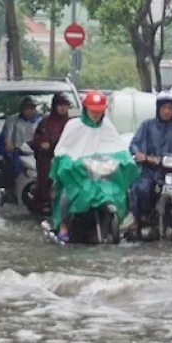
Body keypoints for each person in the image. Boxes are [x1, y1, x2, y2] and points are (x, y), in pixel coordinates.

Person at [49, 91, 138, 244]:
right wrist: (70, 163)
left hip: (102, 177)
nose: (96, 114)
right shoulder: (73, 126)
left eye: (99, 111)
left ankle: (124, 222)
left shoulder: (107, 126)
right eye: (93, 110)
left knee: (123, 192)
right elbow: (62, 150)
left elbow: (119, 148)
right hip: (79, 176)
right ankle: (63, 226)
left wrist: (126, 160)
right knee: (66, 195)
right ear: (85, 109)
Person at [127, 92, 172, 240]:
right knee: (142, 188)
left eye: (170, 108)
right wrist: (140, 154)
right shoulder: (147, 126)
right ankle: (140, 218)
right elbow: (134, 144)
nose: (166, 111)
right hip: (152, 171)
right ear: (158, 109)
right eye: (164, 108)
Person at [28, 93, 73, 212]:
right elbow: (37, 139)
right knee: (46, 179)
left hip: (68, 158)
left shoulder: (72, 123)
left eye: (65, 105)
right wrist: (43, 143)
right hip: (48, 159)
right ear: (54, 106)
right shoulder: (45, 123)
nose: (63, 108)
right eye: (60, 105)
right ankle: (44, 203)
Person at [0, 96, 41, 191]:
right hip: (17, 153)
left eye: (32, 108)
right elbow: (7, 138)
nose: (29, 111)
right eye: (27, 108)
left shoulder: (40, 122)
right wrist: (9, 146)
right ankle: (10, 190)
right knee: (11, 169)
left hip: (35, 154)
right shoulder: (12, 120)